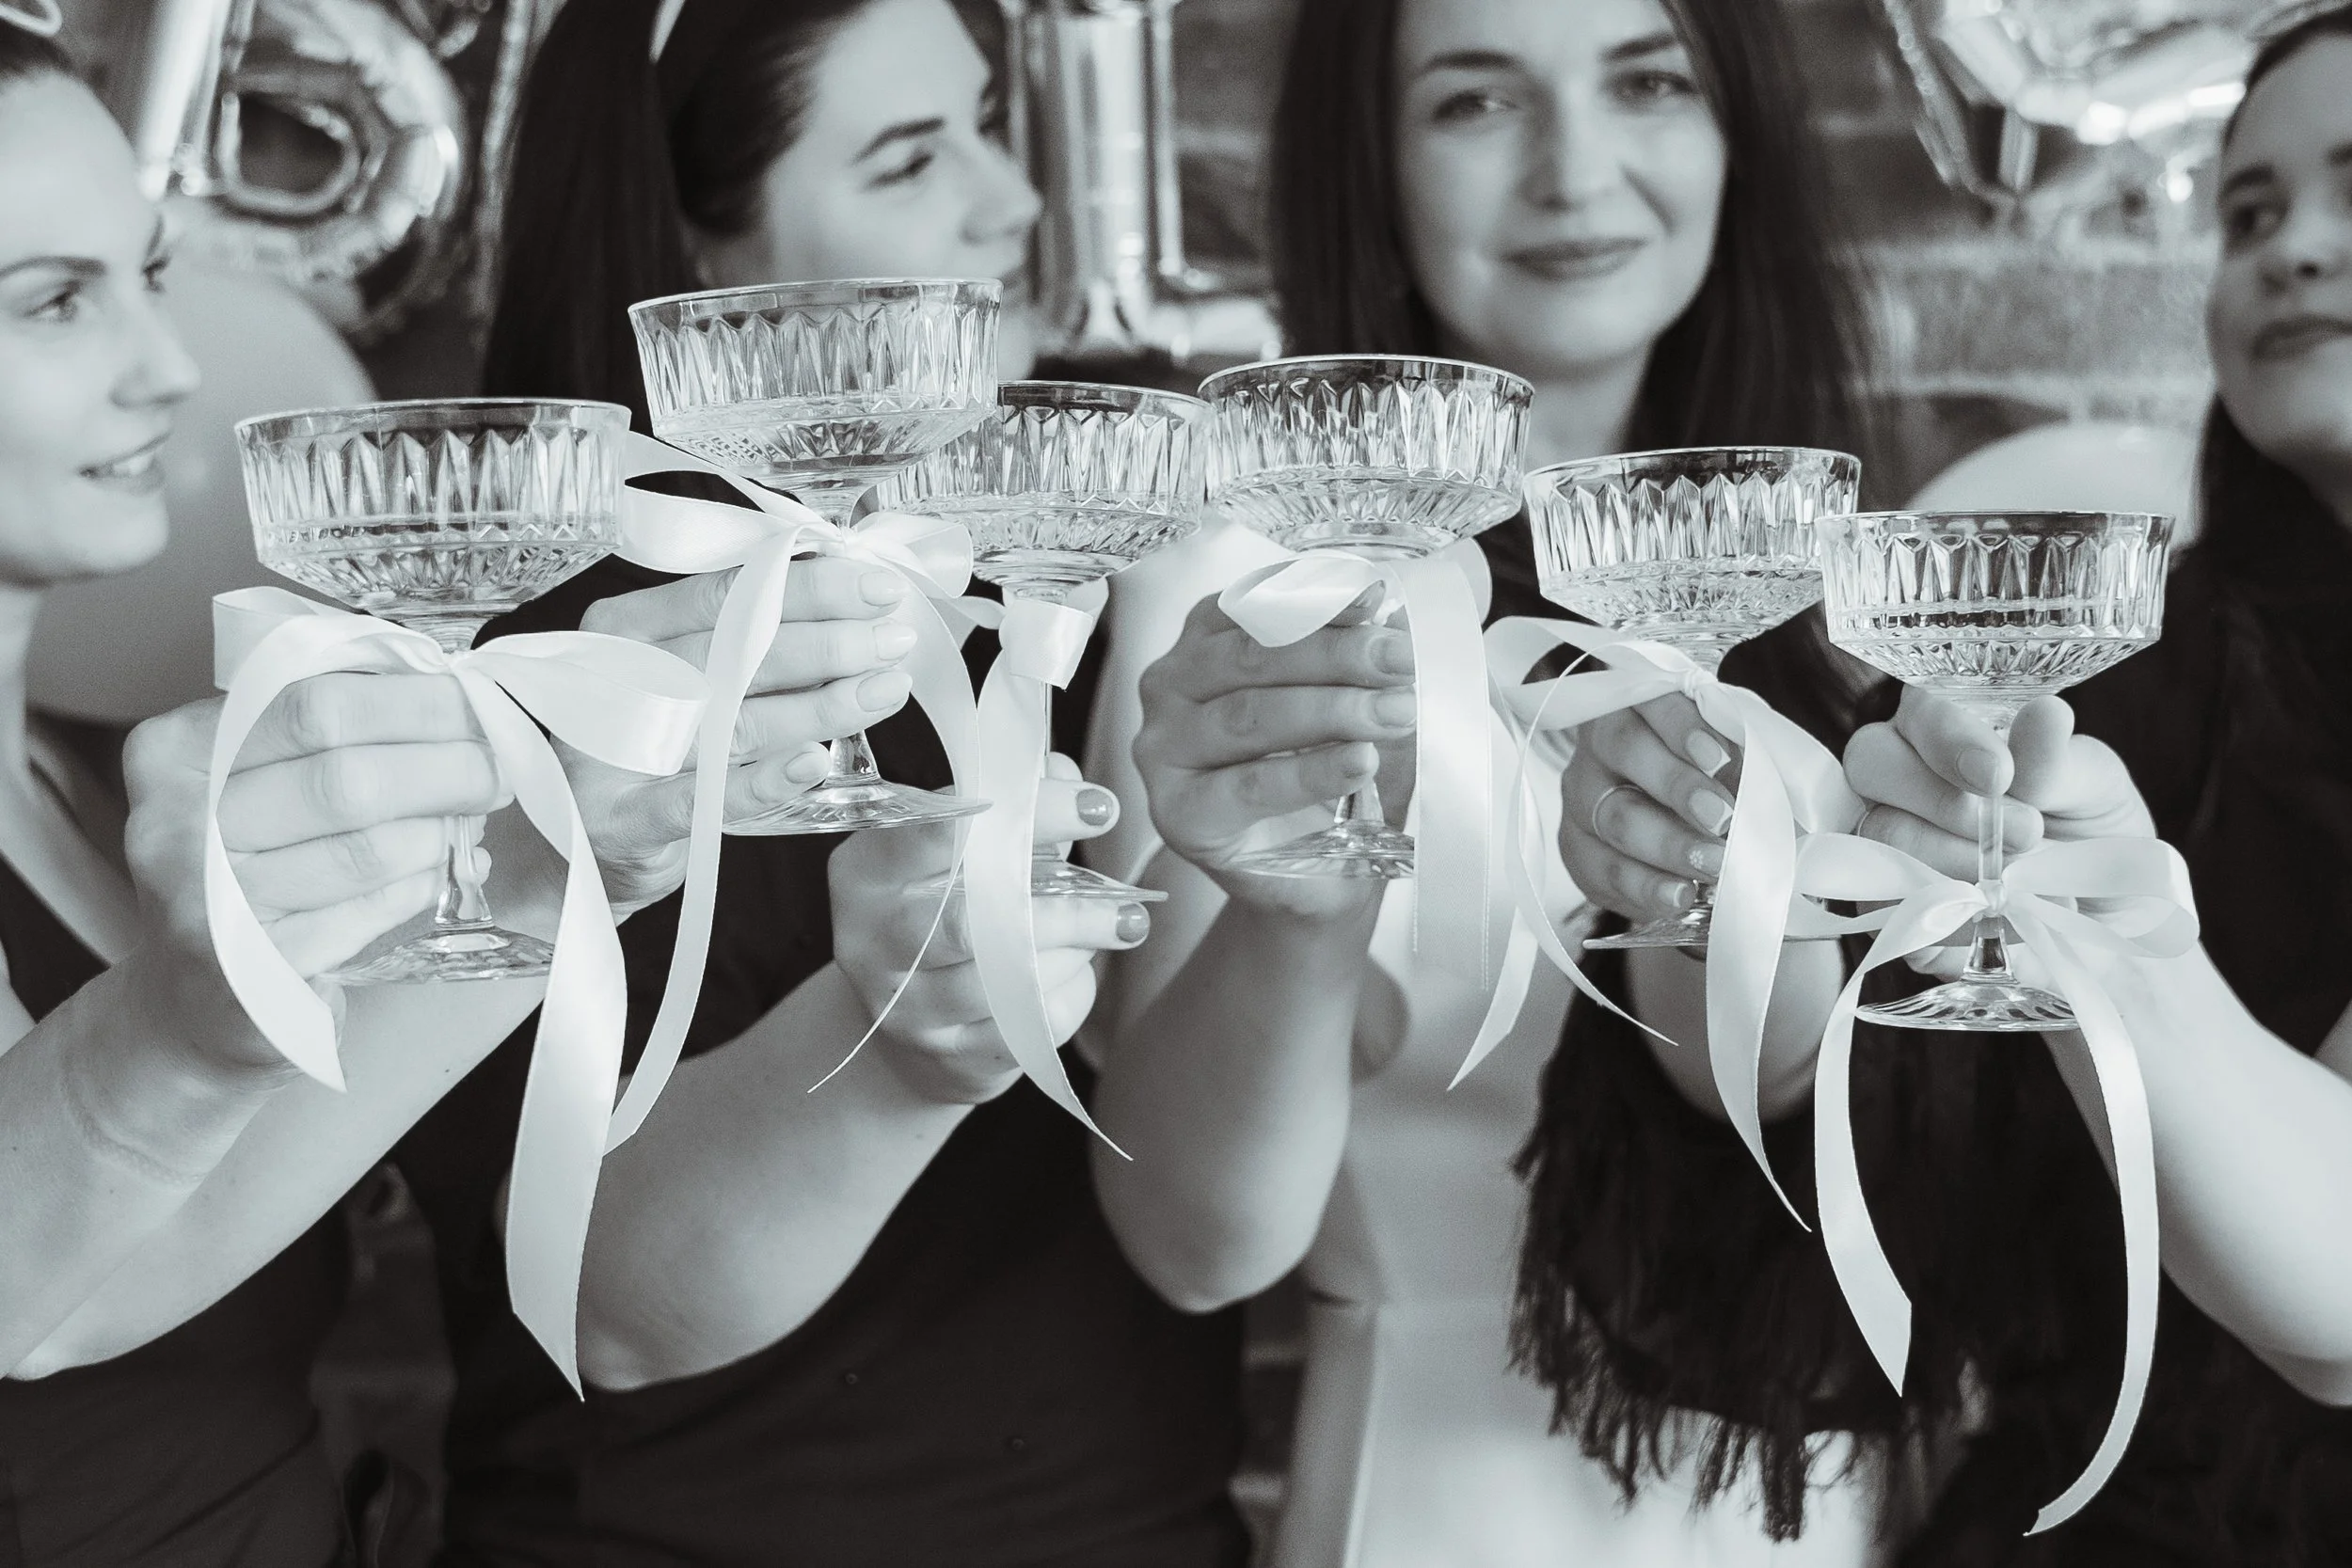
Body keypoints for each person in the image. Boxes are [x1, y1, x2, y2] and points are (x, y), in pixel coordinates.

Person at [0, 22, 924, 1565]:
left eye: (151, 273)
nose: (169, 362)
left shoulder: (75, 779)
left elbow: (162, 1241)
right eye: (53, 301)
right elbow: (33, 1294)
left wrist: (574, 849)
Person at [1509, 8, 2352, 1563]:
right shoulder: (2112, 683)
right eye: (2252, 209)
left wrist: (2113, 947)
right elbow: (1858, 1123)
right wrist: (1717, 889)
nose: (2298, 247)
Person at [410, 1, 1248, 1562]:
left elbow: (1211, 1195)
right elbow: (612, 1309)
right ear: (697, 256)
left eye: (989, 123)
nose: (1011, 201)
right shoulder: (529, 666)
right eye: (911, 160)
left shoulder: (1083, 571)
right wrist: (896, 1049)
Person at [1082, 0, 1883, 1561]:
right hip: (1457, 1500)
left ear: (1738, 131)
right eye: (1473, 102)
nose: (1576, 170)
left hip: (1836, 1502)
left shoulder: (1849, 568)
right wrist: (1292, 916)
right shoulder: (1256, 584)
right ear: (1370, 163)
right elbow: (1194, 1240)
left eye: (1646, 80)